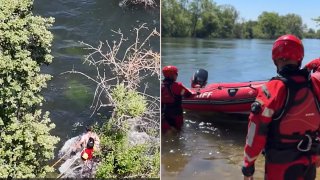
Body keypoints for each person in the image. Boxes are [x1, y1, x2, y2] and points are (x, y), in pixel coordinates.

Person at [241, 34, 320, 180]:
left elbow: (255, 130)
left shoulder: (273, 89)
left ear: (275, 59)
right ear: (300, 58)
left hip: (280, 167)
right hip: (308, 164)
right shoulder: (315, 85)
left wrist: (248, 165)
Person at [161, 65, 195, 133]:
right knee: (179, 132)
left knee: (166, 133)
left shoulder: (161, 86)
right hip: (176, 114)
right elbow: (187, 94)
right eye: (176, 73)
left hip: (164, 116)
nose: (177, 75)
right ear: (172, 75)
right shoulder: (178, 86)